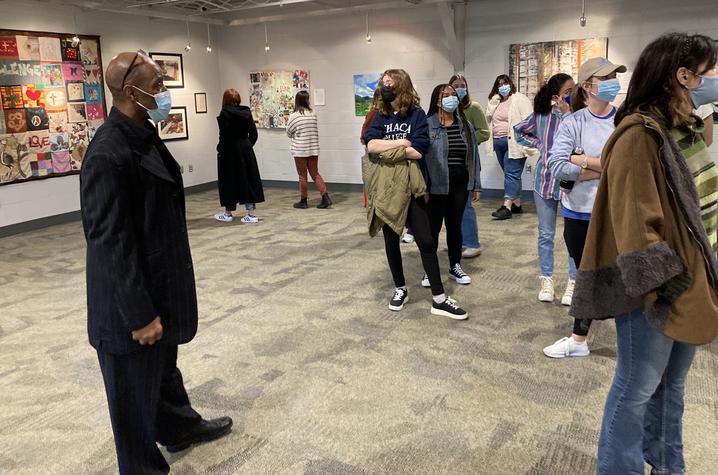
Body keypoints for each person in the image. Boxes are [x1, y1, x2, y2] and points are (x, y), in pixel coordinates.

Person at [570, 33, 718, 474]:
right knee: (636, 387)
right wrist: (665, 286)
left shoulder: (684, 127)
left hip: (693, 276)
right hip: (660, 286)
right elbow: (636, 226)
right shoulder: (638, 134)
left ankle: (668, 464)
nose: (715, 78)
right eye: (710, 70)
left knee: (671, 386)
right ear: (683, 75)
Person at [80, 51, 232, 474]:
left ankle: (179, 427)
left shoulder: (142, 132)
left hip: (157, 285)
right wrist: (141, 315)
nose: (164, 93)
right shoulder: (108, 153)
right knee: (132, 401)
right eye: (158, 86)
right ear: (132, 92)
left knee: (163, 369)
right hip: (128, 308)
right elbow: (110, 243)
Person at [363, 69, 467, 319]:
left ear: (401, 85)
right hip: (386, 187)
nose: (384, 87)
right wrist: (402, 144)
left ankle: (439, 298)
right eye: (382, 83)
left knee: (427, 240)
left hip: (413, 185)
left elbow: (419, 150)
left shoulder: (417, 115)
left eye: (388, 83)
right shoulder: (379, 114)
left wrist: (389, 147)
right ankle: (400, 288)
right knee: (390, 238)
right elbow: (370, 145)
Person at [543, 57, 626, 358]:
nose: (613, 82)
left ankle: (592, 339)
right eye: (606, 77)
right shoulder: (573, 122)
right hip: (578, 213)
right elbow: (556, 165)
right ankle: (579, 340)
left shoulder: (624, 120)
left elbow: (627, 165)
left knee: (622, 277)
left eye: (615, 75)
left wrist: (584, 161)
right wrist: (600, 168)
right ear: (588, 86)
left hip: (616, 213)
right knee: (587, 276)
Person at [514, 73, 578, 305]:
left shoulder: (578, 116)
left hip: (572, 182)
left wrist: (568, 113)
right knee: (545, 234)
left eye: (573, 91)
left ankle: (573, 281)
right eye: (568, 91)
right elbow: (519, 130)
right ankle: (547, 279)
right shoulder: (541, 116)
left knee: (573, 234)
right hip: (544, 180)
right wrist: (539, 144)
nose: (571, 95)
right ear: (556, 95)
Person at [421, 83, 481, 288]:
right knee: (433, 228)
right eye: (445, 95)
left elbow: (473, 156)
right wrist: (423, 187)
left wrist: (476, 184)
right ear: (436, 99)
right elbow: (421, 160)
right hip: (435, 184)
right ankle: (430, 270)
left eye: (453, 95)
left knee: (455, 226)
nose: (451, 98)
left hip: (460, 183)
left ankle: (455, 265)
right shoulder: (427, 124)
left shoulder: (464, 124)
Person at [449, 74, 489, 258]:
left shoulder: (473, 108)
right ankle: (459, 240)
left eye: (462, 85)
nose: (459, 88)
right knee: (451, 207)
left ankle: (472, 243)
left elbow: (484, 133)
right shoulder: (447, 109)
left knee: (465, 206)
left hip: (468, 162)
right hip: (450, 163)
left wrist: (468, 141)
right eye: (455, 85)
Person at [485, 74, 533, 220]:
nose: (502, 86)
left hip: (515, 142)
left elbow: (529, 120)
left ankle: (507, 206)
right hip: (498, 142)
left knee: (512, 173)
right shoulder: (495, 101)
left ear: (510, 84)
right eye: (499, 84)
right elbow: (488, 119)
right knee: (510, 174)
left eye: (505, 83)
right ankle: (517, 204)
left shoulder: (519, 99)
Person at [214, 89, 264, 223]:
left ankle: (228, 213)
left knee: (228, 180)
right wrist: (246, 146)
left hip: (229, 151)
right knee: (248, 179)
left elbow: (223, 136)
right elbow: (254, 134)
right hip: (246, 149)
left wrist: (220, 149)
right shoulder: (247, 111)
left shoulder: (224, 113)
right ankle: (251, 214)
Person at [286, 90, 331, 209]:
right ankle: (325, 197)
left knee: (302, 176)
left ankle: (303, 201)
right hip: (313, 149)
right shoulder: (313, 114)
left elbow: (289, 132)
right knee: (315, 173)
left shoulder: (294, 116)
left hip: (300, 150)